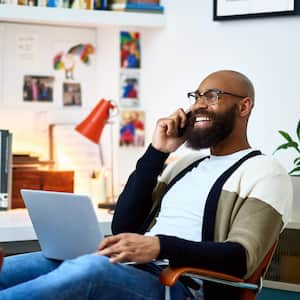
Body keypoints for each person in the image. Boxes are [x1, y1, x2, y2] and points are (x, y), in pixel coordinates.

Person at [0, 70, 293, 300]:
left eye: (213, 96)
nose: (199, 105)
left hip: (180, 285)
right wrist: (157, 151)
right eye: (197, 96)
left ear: (244, 106)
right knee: (22, 264)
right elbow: (123, 225)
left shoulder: (264, 172)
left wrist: (158, 246)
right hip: (131, 268)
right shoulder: (184, 164)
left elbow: (239, 258)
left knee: (90, 268)